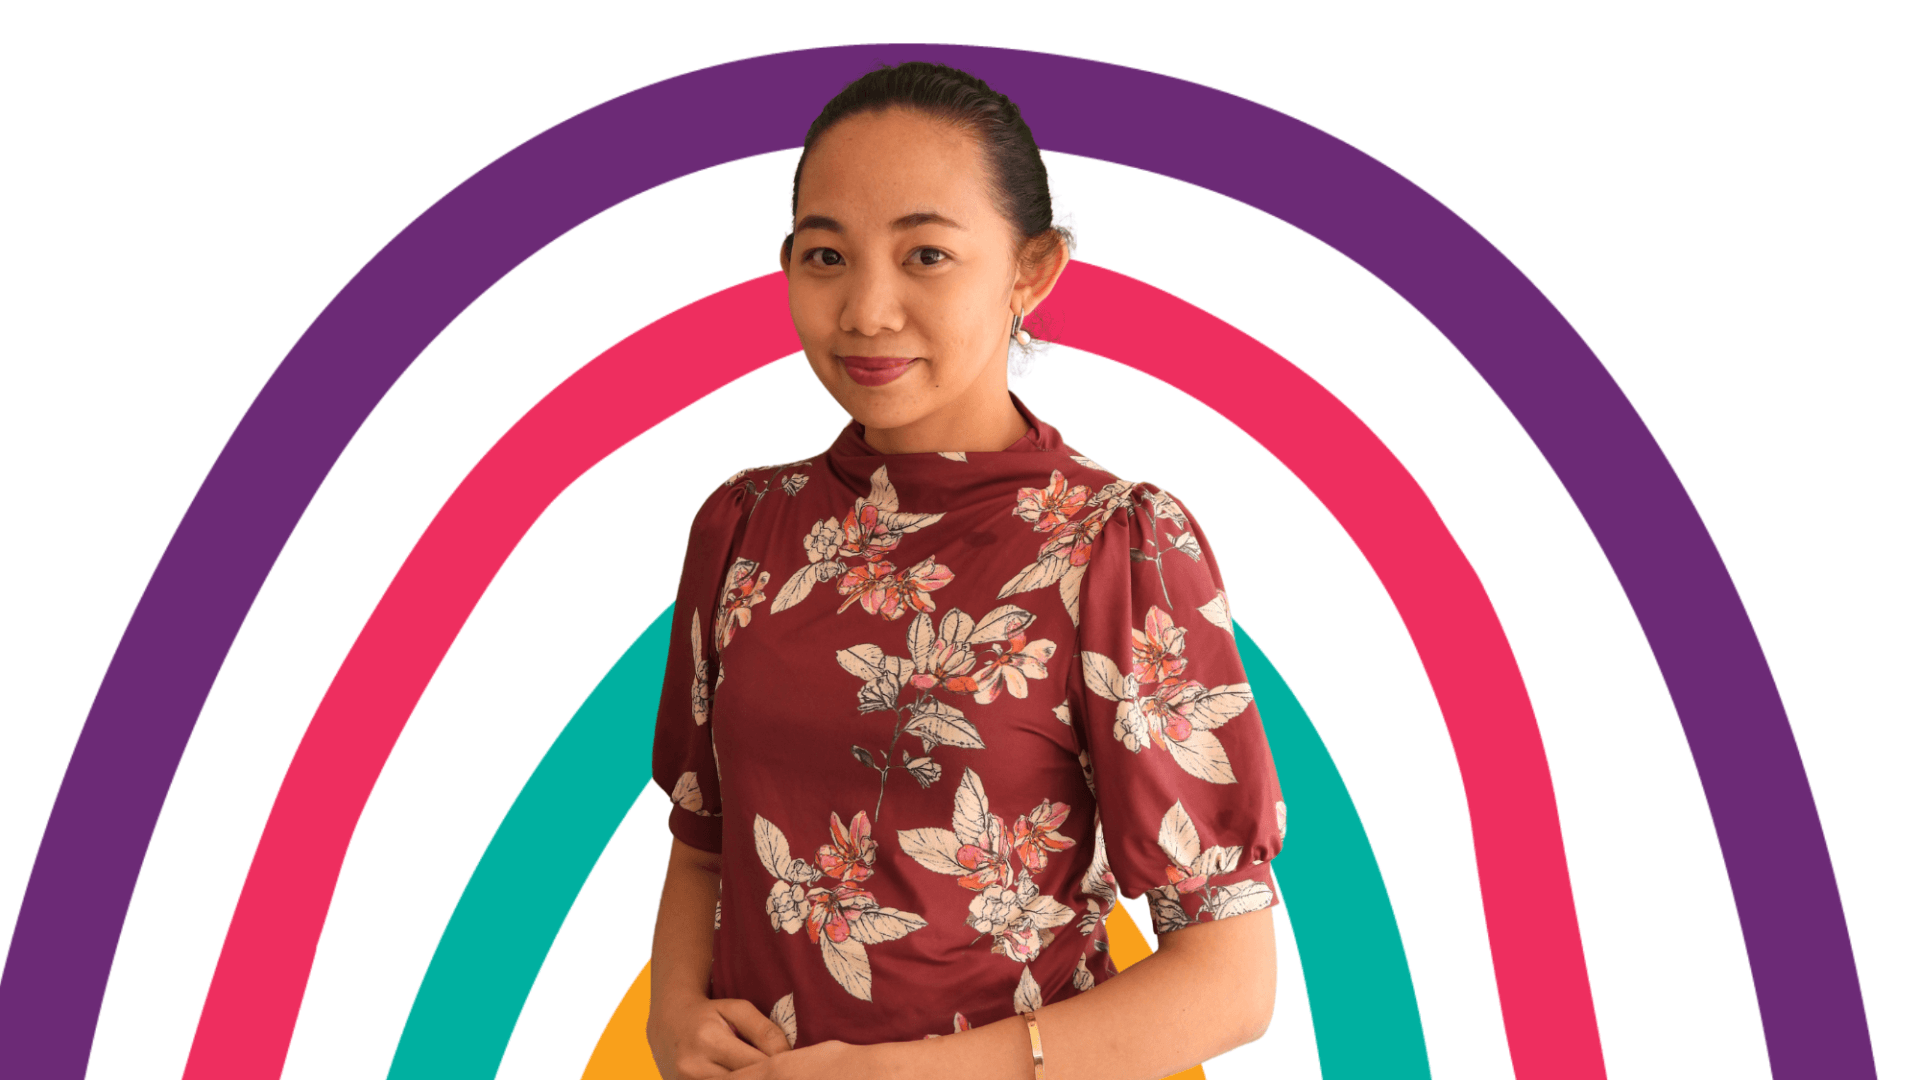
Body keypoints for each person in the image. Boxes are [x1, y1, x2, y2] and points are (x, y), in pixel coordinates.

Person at [645, 61, 1284, 1080]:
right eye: (826, 256)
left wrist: (902, 1076)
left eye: (928, 255)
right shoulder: (745, 527)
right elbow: (705, 844)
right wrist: (674, 1012)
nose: (867, 310)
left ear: (1032, 271)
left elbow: (1230, 983)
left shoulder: (1116, 549)